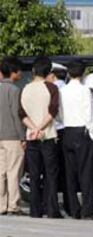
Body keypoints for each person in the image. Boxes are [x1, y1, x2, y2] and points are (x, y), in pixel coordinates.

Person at [19, 56, 62, 218]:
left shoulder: (26, 88)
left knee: (34, 174)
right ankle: (52, 209)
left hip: (31, 136)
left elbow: (21, 113)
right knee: (51, 174)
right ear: (49, 71)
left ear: (33, 71)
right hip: (48, 135)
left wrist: (33, 128)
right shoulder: (52, 88)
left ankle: (35, 210)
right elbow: (53, 111)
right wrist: (41, 128)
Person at [60, 60, 93, 220]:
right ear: (83, 73)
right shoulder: (85, 90)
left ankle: (73, 209)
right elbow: (88, 113)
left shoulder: (63, 90)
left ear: (69, 73)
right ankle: (88, 210)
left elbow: (59, 112)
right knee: (85, 173)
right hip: (82, 132)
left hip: (68, 130)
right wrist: (92, 133)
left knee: (70, 173)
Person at [0, 57, 26, 216]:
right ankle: (13, 205)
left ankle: (1, 205)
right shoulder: (15, 90)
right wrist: (23, 137)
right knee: (14, 171)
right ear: (13, 72)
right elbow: (16, 116)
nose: (21, 73)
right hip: (12, 137)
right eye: (20, 71)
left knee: (0, 172)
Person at [46, 63, 71, 216]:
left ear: (52, 75)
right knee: (66, 171)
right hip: (66, 131)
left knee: (51, 170)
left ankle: (51, 205)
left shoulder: (51, 90)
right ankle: (69, 205)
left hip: (52, 131)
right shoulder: (67, 89)